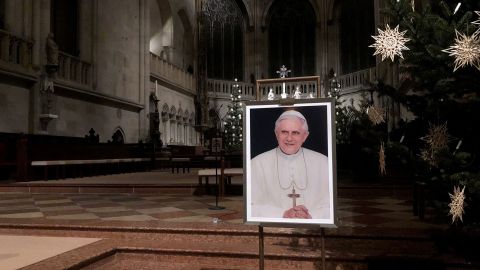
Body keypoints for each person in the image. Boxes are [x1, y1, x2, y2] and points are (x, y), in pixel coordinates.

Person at [251, 110, 330, 219]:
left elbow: (330, 205)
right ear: (276, 134)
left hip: (312, 229)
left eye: (295, 133)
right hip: (274, 229)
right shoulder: (257, 163)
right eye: (284, 132)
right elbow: (251, 207)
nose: (289, 138)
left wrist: (311, 216)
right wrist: (283, 214)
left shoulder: (323, 162)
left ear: (305, 136)